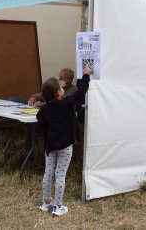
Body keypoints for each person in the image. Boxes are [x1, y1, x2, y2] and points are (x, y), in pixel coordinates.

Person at [37, 64, 92, 216]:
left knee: (48, 173)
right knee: (60, 175)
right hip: (65, 147)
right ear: (59, 92)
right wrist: (86, 75)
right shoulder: (67, 104)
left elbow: (39, 128)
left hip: (50, 147)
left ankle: (46, 202)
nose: (63, 88)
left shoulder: (43, 111)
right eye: (60, 88)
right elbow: (81, 93)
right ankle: (58, 206)